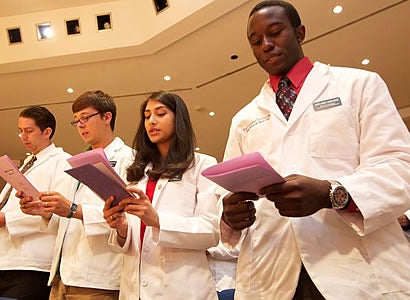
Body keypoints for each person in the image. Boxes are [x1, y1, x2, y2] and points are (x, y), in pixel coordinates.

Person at [220, 1, 410, 299]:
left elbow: (399, 168)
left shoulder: (359, 86)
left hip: (354, 269)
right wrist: (230, 214)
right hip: (272, 275)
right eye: (255, 42)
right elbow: (226, 195)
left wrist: (331, 193)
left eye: (275, 32)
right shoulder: (243, 119)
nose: (266, 45)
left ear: (300, 32)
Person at [103, 91, 220, 300]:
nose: (152, 121)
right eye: (147, 116)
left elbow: (211, 232)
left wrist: (157, 221)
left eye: (161, 113)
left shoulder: (203, 165)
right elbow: (133, 238)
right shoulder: (136, 171)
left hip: (181, 289)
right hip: (134, 288)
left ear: (179, 118)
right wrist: (121, 228)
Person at [20, 90, 133, 300]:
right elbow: (67, 217)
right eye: (76, 121)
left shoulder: (129, 159)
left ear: (107, 117)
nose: (80, 125)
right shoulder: (78, 161)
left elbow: (128, 217)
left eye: (85, 118)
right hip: (62, 274)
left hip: (97, 278)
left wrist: (74, 210)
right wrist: (45, 211)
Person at [0, 106, 73, 299]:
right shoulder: (27, 162)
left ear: (47, 132)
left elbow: (57, 214)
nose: (23, 136)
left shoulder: (62, 162)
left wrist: (6, 220)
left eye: (29, 130)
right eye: (20, 131)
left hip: (29, 264)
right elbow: (6, 207)